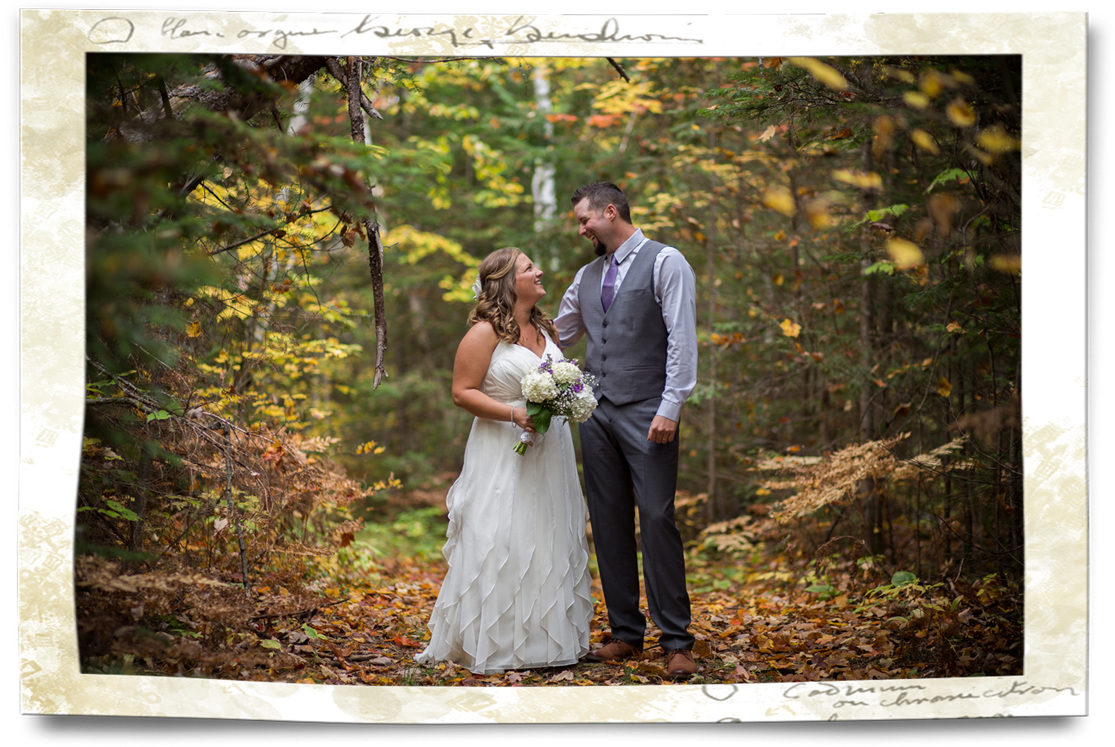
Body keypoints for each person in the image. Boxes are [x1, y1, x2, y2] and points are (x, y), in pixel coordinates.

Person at [415, 247, 594, 675]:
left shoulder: (543, 327)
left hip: (550, 452)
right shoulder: (485, 332)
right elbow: (463, 392)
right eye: (530, 267)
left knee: (547, 535)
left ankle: (544, 641)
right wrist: (515, 413)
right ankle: (495, 642)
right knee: (504, 535)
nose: (541, 270)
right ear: (507, 281)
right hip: (502, 449)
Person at [555, 181, 698, 679]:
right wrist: (507, 314)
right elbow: (562, 331)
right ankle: (625, 634)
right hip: (596, 412)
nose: (581, 230)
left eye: (583, 220)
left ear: (609, 212)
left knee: (656, 519)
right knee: (608, 520)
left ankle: (676, 640)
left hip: (649, 411)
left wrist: (671, 406)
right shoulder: (588, 274)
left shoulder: (666, 262)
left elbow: (682, 338)